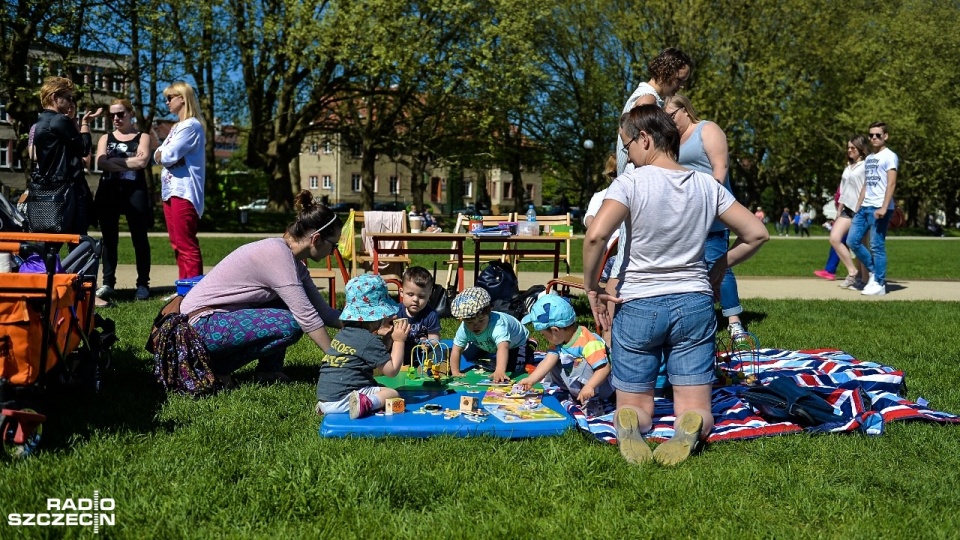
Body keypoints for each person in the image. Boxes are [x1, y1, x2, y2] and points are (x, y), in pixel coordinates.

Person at [583, 105, 768, 466]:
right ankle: (690, 422)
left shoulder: (631, 182)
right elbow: (756, 233)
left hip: (638, 304)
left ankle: (632, 420)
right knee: (696, 404)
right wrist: (718, 267)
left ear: (645, 139)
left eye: (627, 146)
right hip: (695, 303)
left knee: (635, 402)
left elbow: (596, 236)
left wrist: (593, 285)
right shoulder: (705, 185)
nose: (627, 155)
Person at [180, 190, 343, 387]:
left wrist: (369, 324)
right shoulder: (277, 254)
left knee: (286, 306)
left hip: (214, 319)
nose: (333, 253)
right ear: (316, 239)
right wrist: (339, 360)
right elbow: (307, 316)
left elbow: (325, 313)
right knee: (290, 324)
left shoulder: (296, 265)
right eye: (334, 246)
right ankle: (215, 369)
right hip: (200, 326)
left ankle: (268, 371)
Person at [666, 94, 750, 337]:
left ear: (685, 110)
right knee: (688, 267)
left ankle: (734, 321)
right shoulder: (672, 141)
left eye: (672, 115)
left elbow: (720, 168)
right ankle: (693, 319)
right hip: (685, 214)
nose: (670, 121)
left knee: (717, 263)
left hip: (712, 209)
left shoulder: (707, 128)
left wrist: (708, 202)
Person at [315, 274, 411, 419]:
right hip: (344, 399)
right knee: (392, 393)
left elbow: (376, 358)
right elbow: (391, 371)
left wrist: (387, 338)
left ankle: (334, 407)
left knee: (381, 387)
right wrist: (398, 341)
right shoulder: (368, 340)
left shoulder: (345, 334)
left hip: (326, 398)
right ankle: (364, 403)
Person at [95, 98, 156, 302]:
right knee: (109, 240)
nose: (116, 118)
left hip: (134, 192)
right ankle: (108, 283)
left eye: (120, 114)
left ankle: (143, 285)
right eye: (112, 115)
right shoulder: (106, 138)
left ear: (130, 114)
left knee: (139, 238)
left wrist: (115, 161)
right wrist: (128, 162)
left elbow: (142, 161)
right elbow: (102, 162)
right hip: (109, 192)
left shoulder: (143, 137)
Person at [27, 76, 103, 234]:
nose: (70, 102)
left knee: (51, 239)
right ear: (55, 97)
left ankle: (50, 260)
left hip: (48, 187)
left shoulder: (39, 122)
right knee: (78, 237)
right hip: (69, 189)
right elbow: (83, 148)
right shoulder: (60, 120)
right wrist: (84, 124)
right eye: (68, 97)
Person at [518, 294, 614, 413]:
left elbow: (604, 368)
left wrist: (590, 387)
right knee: (553, 361)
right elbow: (548, 360)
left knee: (582, 364)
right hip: (578, 384)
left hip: (599, 386)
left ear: (555, 331)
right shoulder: (560, 340)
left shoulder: (589, 342)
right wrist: (531, 380)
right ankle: (571, 393)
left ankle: (593, 403)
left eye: (544, 334)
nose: (544, 337)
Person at [155, 82, 206, 280]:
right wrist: (161, 153)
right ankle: (182, 287)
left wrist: (161, 154)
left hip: (184, 191)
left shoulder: (191, 126)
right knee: (177, 243)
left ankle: (193, 290)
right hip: (170, 190)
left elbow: (168, 155)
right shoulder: (177, 127)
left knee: (186, 244)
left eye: (170, 97)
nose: (167, 102)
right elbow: (158, 154)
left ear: (182, 98)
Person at [847, 122, 898, 296]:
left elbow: (891, 183)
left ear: (885, 136)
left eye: (877, 135)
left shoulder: (890, 156)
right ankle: (874, 272)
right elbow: (866, 184)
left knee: (877, 246)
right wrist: (858, 206)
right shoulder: (869, 158)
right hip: (865, 207)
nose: (874, 138)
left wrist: (884, 207)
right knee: (852, 241)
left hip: (879, 208)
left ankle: (879, 283)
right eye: (871, 135)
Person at [448, 287, 533, 383]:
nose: (476, 325)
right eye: (470, 322)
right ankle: (490, 349)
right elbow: (456, 349)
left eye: (481, 320)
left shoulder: (497, 325)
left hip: (516, 343)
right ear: (463, 320)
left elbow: (503, 347)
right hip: (488, 341)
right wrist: (455, 371)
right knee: (469, 355)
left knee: (515, 368)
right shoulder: (464, 328)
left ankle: (530, 345)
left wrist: (500, 370)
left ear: (489, 313)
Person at [820, 135, 869, 287]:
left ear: (861, 149)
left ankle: (866, 279)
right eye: (848, 147)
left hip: (861, 209)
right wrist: (838, 210)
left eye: (852, 148)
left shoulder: (867, 165)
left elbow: (867, 187)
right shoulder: (848, 167)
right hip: (846, 209)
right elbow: (843, 190)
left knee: (859, 245)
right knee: (834, 238)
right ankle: (853, 271)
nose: (849, 150)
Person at [397, 266, 441, 360]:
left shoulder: (431, 315)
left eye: (421, 296)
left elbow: (435, 338)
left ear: (429, 295)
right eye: (410, 294)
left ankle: (435, 367)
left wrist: (429, 342)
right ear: (401, 292)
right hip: (401, 349)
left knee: (438, 351)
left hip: (422, 351)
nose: (415, 300)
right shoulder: (396, 312)